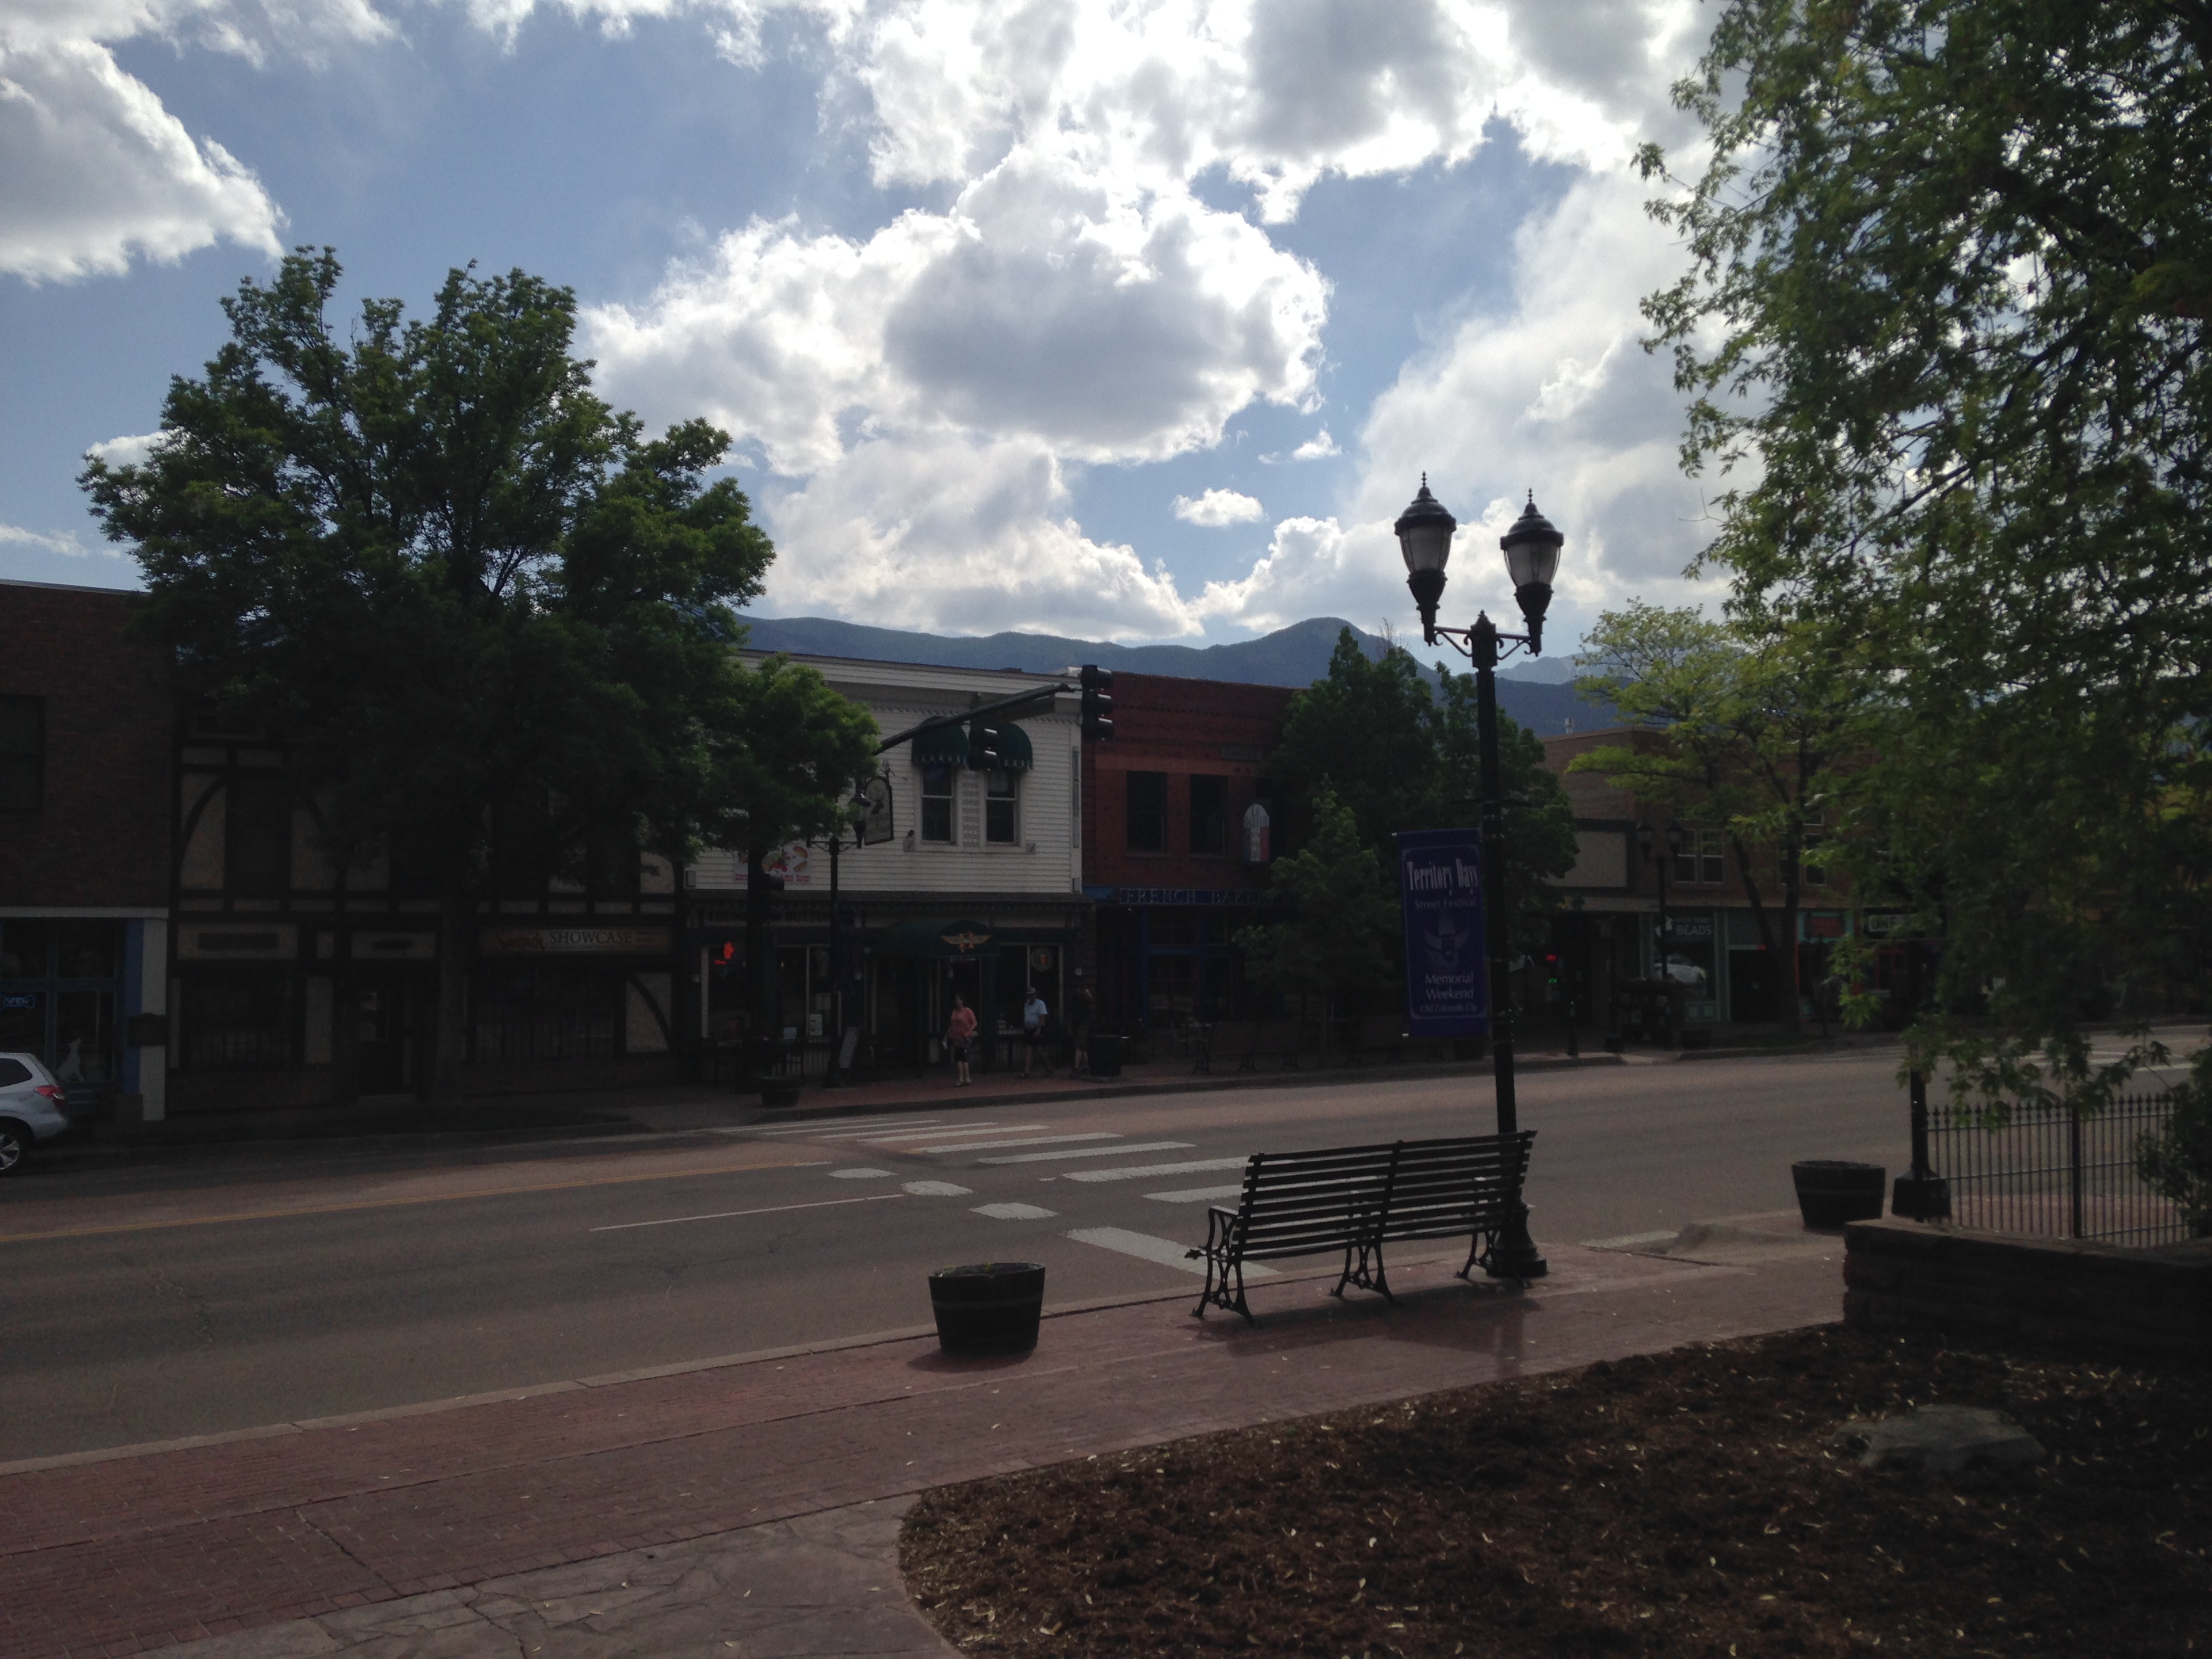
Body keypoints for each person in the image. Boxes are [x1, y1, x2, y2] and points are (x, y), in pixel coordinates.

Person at [946, 994, 977, 1087]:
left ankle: (965, 1077)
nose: (957, 1002)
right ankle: (962, 1077)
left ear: (962, 1001)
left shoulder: (967, 1011)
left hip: (965, 1037)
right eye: (956, 1000)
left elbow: (974, 1022)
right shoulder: (954, 1012)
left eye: (958, 1000)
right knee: (958, 1057)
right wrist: (950, 1033)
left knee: (963, 1056)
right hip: (957, 1037)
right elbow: (952, 1024)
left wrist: (969, 1032)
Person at [1021, 986, 1050, 1078]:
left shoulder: (1040, 1004)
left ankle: (1048, 1067)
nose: (1031, 997)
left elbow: (1042, 1017)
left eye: (1032, 995)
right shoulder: (1026, 1005)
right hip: (1028, 1029)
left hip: (1037, 1028)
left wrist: (1039, 1029)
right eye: (1029, 995)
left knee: (1040, 1050)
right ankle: (1027, 1071)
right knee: (1028, 1050)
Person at [1068, 985, 1094, 1077]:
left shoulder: (1082, 998)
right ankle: (1085, 1067)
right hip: (1078, 1024)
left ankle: (1076, 1068)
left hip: (1082, 1025)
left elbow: (1091, 1001)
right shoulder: (1075, 999)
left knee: (1079, 1047)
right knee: (1082, 1047)